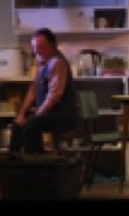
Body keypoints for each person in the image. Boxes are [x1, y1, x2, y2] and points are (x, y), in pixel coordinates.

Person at [8, 28, 78, 156]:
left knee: (32, 123)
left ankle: (36, 161)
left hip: (63, 115)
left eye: (41, 47)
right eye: (35, 48)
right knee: (18, 123)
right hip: (49, 113)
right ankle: (13, 159)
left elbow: (54, 96)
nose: (37, 51)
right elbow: (33, 89)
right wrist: (22, 114)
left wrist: (38, 113)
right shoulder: (42, 63)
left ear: (52, 46)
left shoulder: (57, 62)